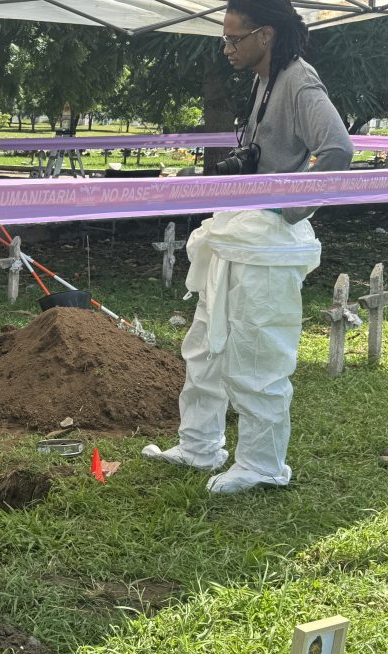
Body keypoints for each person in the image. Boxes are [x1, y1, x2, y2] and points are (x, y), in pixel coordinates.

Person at [143, 0, 353, 494]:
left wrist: (289, 207)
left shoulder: (300, 79)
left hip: (269, 240)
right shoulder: (265, 77)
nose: (227, 48)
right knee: (207, 343)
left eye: (235, 39)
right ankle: (199, 445)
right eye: (224, 39)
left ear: (267, 35)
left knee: (258, 350)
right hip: (239, 228)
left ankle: (261, 464)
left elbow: (338, 147)